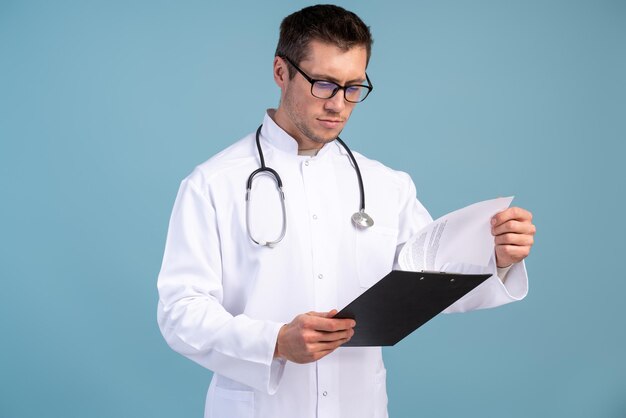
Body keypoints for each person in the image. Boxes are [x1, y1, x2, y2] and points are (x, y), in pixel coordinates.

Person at [157, 4, 536, 418]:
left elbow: (428, 282)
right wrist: (276, 341)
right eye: (324, 84)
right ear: (280, 72)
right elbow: (180, 312)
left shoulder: (386, 185)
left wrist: (495, 258)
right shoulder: (213, 183)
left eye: (354, 87)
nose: (339, 104)